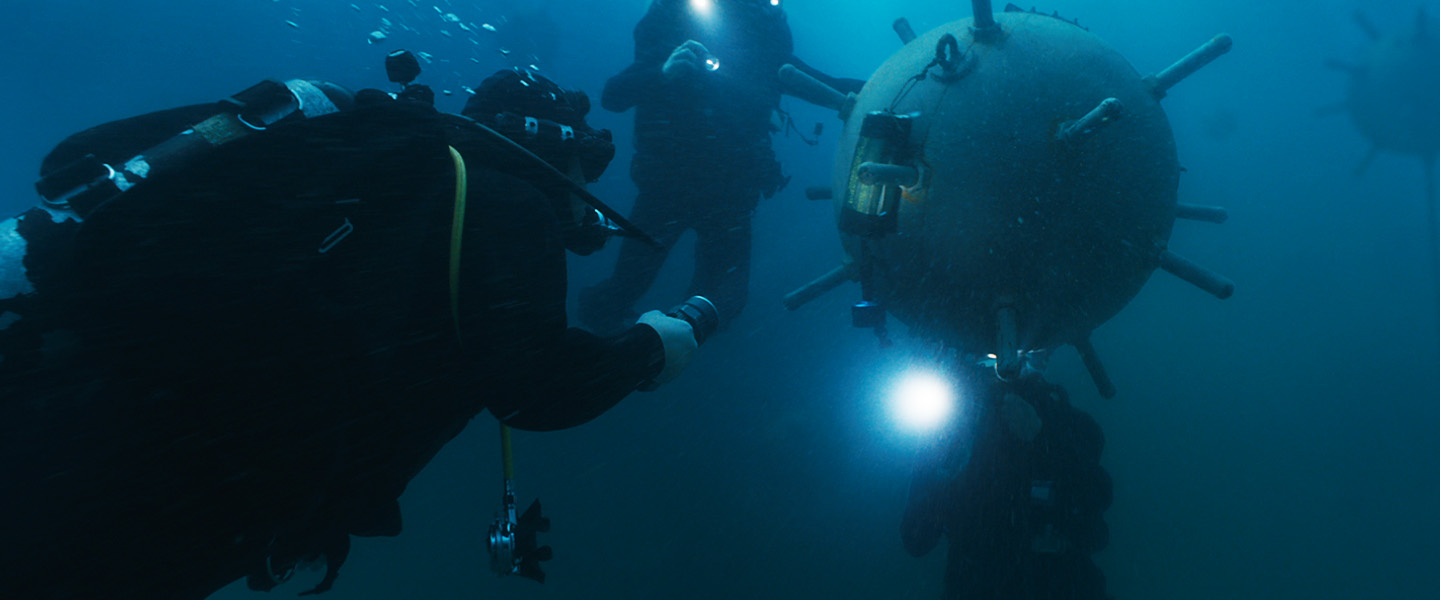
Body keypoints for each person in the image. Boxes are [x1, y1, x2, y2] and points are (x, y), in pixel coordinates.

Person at [0, 67, 702, 599]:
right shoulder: (509, 203)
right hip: (163, 487)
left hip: (90, 408)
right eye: (589, 159)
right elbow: (537, 391)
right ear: (546, 142)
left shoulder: (404, 181)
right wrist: (651, 346)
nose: (589, 181)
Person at [578, 0, 865, 331]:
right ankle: (620, 350)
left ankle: (661, 348)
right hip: (672, 185)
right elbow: (613, 96)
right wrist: (662, 73)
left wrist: (903, 82)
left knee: (721, 301)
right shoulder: (675, 33)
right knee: (629, 288)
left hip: (728, 192)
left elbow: (828, 86)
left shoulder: (764, 51)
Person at [900, 354, 1114, 600]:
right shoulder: (956, 434)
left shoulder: (1071, 426)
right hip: (980, 583)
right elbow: (916, 539)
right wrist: (935, 455)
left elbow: (1097, 513)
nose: (1003, 370)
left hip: (1055, 583)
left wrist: (1042, 437)